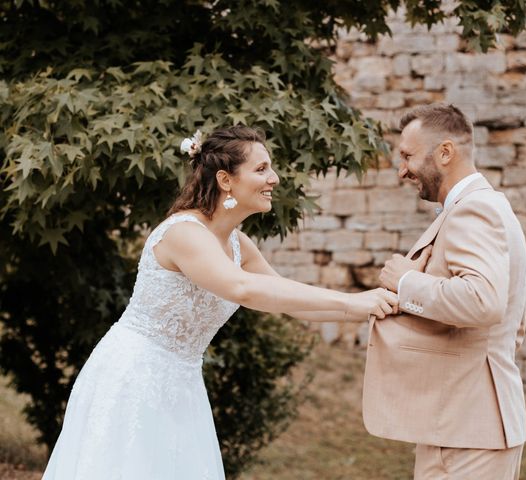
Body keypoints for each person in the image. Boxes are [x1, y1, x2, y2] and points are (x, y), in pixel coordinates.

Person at [42, 125, 398, 480]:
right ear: (226, 180)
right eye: (261, 169)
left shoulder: (240, 245)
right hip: (134, 376)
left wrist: (363, 309)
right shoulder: (184, 233)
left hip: (183, 384)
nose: (273, 178)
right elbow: (241, 289)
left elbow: (289, 300)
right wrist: (355, 303)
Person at [362, 103, 526, 480]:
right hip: (462, 420)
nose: (402, 169)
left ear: (446, 152)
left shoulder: (475, 211)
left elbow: (483, 301)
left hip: (471, 425)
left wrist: (405, 283)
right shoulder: (485, 206)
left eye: (407, 156)